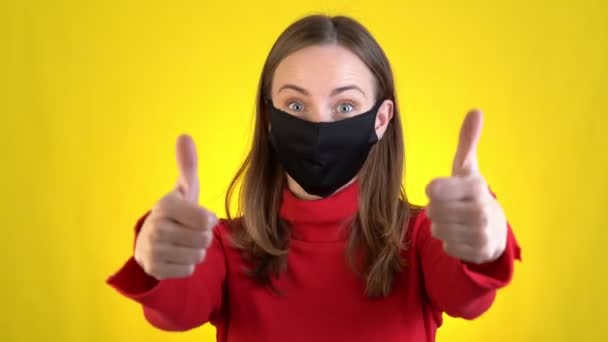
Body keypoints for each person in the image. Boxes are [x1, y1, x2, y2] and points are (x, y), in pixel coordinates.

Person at [107, 14, 521, 342]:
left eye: (344, 107)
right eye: (295, 104)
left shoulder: (423, 237)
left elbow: (468, 297)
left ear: (380, 120)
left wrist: (483, 245)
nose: (319, 123)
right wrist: (158, 259)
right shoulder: (222, 247)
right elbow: (176, 312)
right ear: (269, 118)